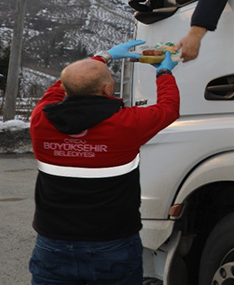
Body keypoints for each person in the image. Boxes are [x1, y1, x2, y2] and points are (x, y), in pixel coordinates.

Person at [28, 40, 179, 285]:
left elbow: (57, 89)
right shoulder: (127, 124)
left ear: (66, 90)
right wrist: (164, 72)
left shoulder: (41, 120)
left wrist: (104, 56)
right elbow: (169, 108)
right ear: (108, 90)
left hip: (52, 244)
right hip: (112, 244)